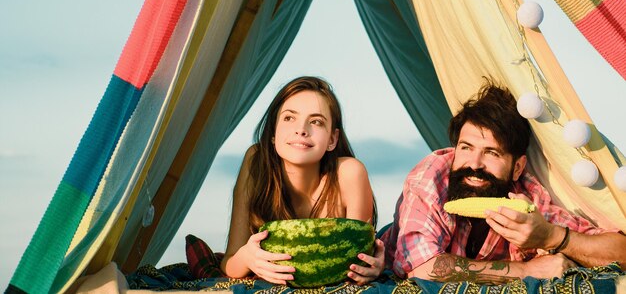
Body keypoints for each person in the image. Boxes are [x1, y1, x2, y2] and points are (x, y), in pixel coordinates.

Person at [381, 80, 626, 284]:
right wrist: (527, 271)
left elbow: (621, 252)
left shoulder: (528, 199)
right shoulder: (431, 178)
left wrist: (552, 237)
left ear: (517, 167)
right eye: (466, 148)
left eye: (491, 153)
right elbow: (422, 269)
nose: (474, 164)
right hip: (390, 249)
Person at [220, 76, 385, 285]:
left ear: (332, 140)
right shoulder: (256, 161)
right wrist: (246, 257)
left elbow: (358, 262)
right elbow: (230, 261)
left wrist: (373, 267)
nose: (301, 129)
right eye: (289, 118)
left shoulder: (349, 172)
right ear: (273, 133)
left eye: (316, 121)